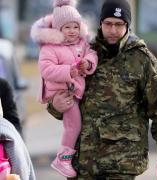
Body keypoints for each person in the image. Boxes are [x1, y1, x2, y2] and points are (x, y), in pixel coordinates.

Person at [32, 0, 157, 179]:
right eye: (108, 24)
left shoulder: (141, 58)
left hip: (121, 163)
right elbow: (62, 91)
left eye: (119, 25)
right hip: (83, 164)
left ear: (127, 25)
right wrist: (55, 105)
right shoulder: (83, 51)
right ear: (100, 23)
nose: (113, 30)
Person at [31, 0, 97, 178]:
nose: (72, 31)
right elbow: (45, 69)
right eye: (67, 27)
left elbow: (92, 53)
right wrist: (69, 71)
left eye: (75, 26)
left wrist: (88, 63)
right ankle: (63, 159)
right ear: (59, 30)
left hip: (74, 89)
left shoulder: (82, 43)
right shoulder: (50, 48)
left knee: (75, 123)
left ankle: (65, 158)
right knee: (73, 125)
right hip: (62, 91)